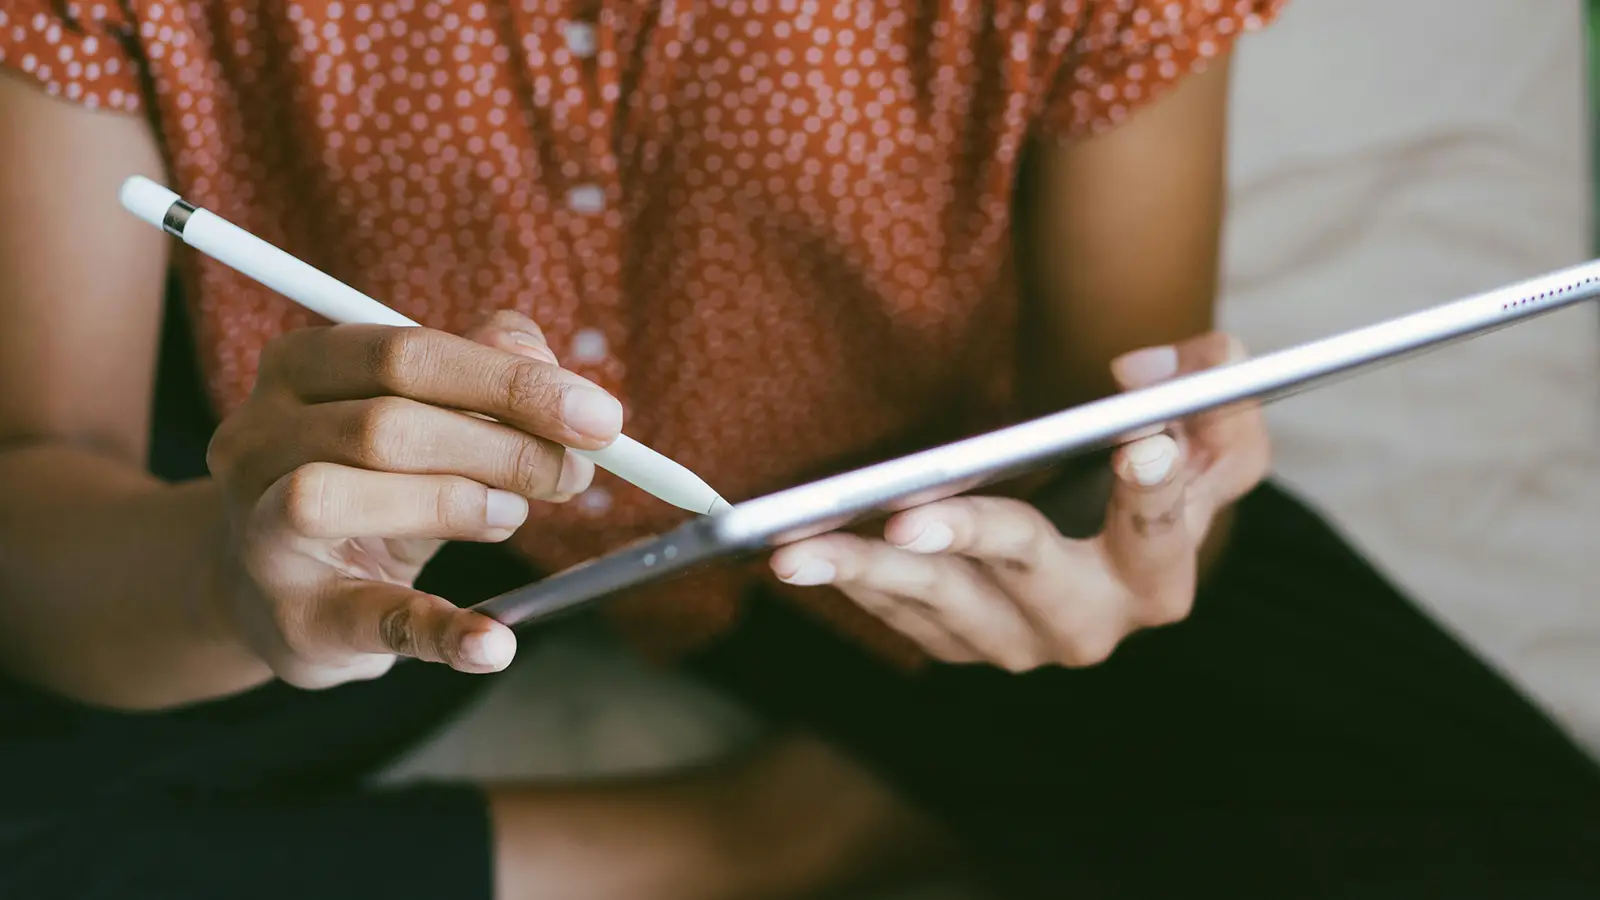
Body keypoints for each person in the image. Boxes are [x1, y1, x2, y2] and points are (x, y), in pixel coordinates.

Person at [3, 0, 1599, 897]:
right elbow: (35, 500)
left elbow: (1126, 443)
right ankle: (771, 834)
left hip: (914, 505)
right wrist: (230, 584)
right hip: (366, 516)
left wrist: (1129, 557)